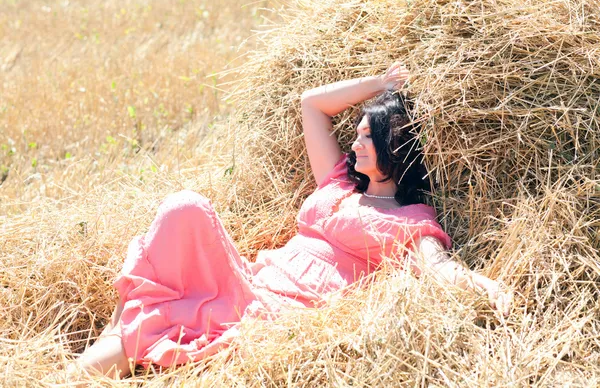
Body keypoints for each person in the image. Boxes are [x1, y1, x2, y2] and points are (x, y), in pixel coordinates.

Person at [74, 62, 512, 379]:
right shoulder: (339, 183)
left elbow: (439, 268)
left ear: (393, 147)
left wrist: (486, 286)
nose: (356, 145)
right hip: (253, 276)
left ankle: (83, 371)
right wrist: (383, 83)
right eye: (356, 134)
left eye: (367, 137)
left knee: (165, 311)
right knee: (184, 207)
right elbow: (313, 104)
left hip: (279, 306)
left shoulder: (409, 220)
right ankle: (93, 359)